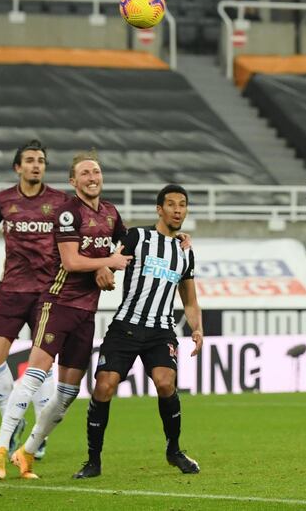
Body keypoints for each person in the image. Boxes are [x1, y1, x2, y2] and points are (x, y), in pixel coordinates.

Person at [0, 149, 132, 480]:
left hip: (87, 311)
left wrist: (172, 238)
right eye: (84, 173)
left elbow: (128, 242)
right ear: (72, 181)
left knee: (68, 393)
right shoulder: (68, 213)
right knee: (37, 370)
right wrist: (106, 264)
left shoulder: (110, 212)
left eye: (96, 171)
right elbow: (71, 261)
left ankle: (27, 452)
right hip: (59, 303)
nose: (92, 177)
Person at [72, 184, 203, 479]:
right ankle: (93, 461)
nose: (178, 209)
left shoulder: (185, 253)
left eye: (182, 204)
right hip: (126, 327)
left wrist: (197, 329)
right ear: (160, 209)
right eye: (171, 204)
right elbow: (112, 262)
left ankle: (174, 450)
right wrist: (105, 270)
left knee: (166, 383)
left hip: (161, 330)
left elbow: (190, 299)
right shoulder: (138, 237)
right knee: (104, 386)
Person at [0, 139, 68, 459]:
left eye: (41, 160)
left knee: (42, 363)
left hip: (47, 292)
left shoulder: (61, 201)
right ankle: (12, 426)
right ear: (18, 167)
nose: (36, 165)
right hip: (11, 289)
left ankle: (38, 436)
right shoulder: (3, 200)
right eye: (29, 160)